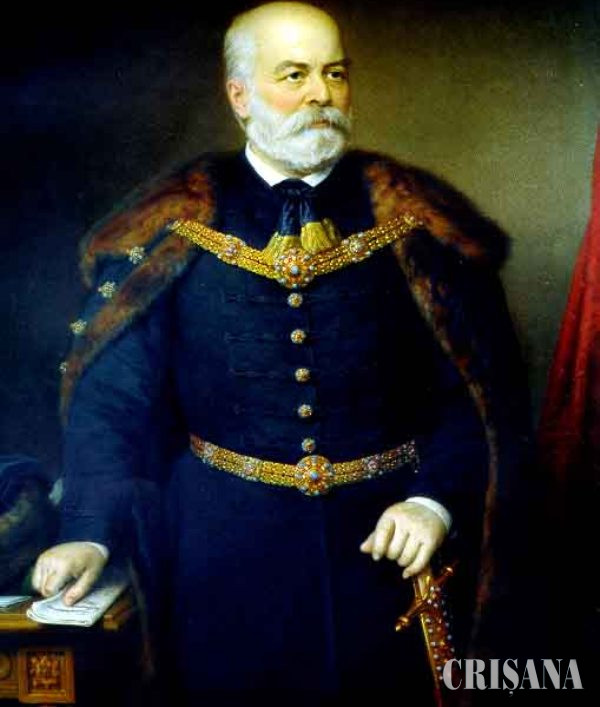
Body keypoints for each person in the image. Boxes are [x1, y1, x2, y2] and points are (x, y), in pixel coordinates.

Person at [31, 2, 530, 704]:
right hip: (221, 564)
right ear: (239, 96)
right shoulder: (172, 227)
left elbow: (479, 397)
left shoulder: (417, 223)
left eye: (335, 73)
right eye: (294, 75)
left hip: (386, 558)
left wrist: (433, 503)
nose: (322, 94)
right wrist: (89, 533)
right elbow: (114, 400)